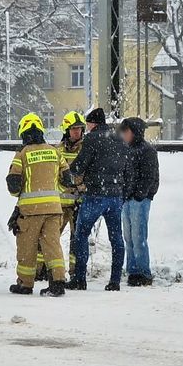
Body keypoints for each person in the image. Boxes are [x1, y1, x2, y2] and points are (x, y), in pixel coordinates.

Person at [7, 113, 70, 297]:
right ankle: (57, 283)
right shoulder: (55, 152)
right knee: (53, 246)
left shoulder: (22, 154)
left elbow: (13, 186)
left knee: (27, 247)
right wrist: (51, 190)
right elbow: (67, 180)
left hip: (30, 212)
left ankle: (25, 284)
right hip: (54, 209)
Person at [65, 108, 127, 291]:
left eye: (88, 124)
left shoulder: (92, 138)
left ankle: (79, 279)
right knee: (116, 238)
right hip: (116, 196)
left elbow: (80, 164)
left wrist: (69, 173)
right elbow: (126, 166)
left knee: (81, 234)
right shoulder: (119, 138)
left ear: (93, 123)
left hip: (96, 195)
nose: (87, 128)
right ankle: (115, 281)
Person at [36, 111, 87, 280]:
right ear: (66, 130)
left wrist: (81, 187)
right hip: (58, 204)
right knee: (49, 239)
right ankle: (41, 270)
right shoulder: (56, 150)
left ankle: (75, 273)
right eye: (73, 129)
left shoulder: (86, 150)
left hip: (78, 203)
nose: (76, 132)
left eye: (79, 129)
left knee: (76, 240)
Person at [119, 117, 159, 287]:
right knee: (129, 237)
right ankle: (132, 271)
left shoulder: (147, 151)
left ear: (134, 132)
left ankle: (143, 272)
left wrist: (139, 195)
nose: (123, 135)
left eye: (126, 131)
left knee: (138, 236)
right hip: (127, 199)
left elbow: (150, 177)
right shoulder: (126, 150)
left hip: (138, 200)